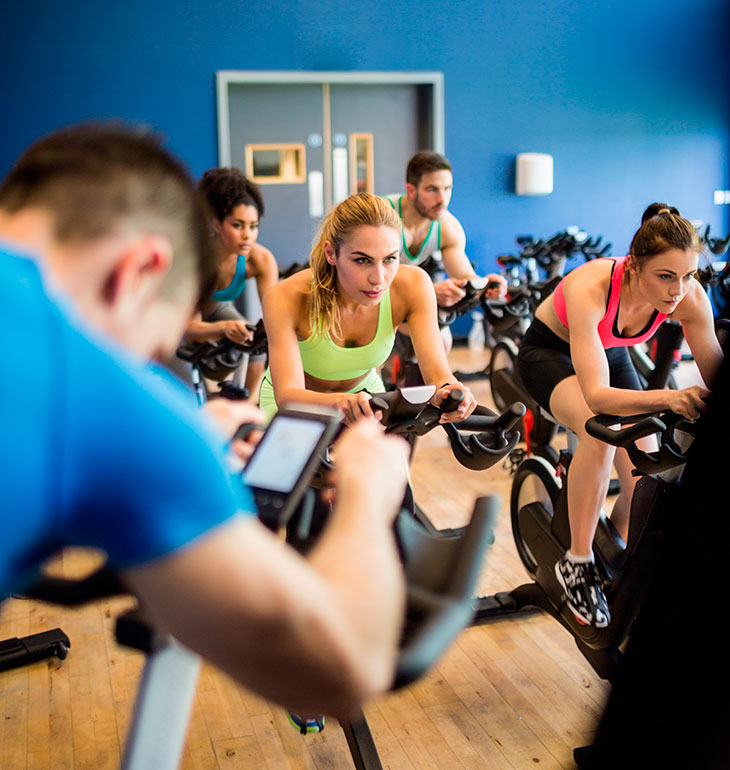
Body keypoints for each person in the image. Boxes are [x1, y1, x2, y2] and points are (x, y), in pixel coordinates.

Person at [0, 123, 410, 719]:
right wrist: (369, 492)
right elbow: (343, 670)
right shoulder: (97, 389)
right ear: (139, 270)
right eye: (154, 343)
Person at [516, 203, 722, 628]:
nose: (676, 291)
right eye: (665, 277)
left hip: (608, 352)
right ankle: (578, 561)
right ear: (633, 266)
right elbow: (597, 397)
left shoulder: (689, 297)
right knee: (600, 432)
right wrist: (669, 397)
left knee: (645, 468)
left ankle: (620, 557)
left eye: (687, 276)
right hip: (548, 353)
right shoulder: (590, 286)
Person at [259, 192, 478, 424]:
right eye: (362, 260)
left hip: (365, 396)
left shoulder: (414, 285)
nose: (378, 278)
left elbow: (437, 375)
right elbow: (287, 395)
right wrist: (342, 402)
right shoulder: (285, 297)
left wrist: (449, 390)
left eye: (390, 259)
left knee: (390, 460)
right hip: (298, 404)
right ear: (331, 253)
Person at [183, 167, 278, 397]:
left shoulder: (260, 260)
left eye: (253, 226)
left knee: (256, 345)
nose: (247, 235)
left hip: (216, 310)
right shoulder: (198, 261)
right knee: (182, 364)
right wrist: (225, 328)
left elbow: (277, 314)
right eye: (237, 225)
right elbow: (190, 329)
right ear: (217, 225)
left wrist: (265, 334)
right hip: (180, 315)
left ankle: (246, 410)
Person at [385, 150, 507, 307]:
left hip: (402, 297)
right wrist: (426, 290)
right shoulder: (383, 218)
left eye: (447, 189)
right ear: (411, 190)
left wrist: (485, 286)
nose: (442, 199)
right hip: (362, 299)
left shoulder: (448, 228)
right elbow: (372, 277)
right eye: (432, 190)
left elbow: (464, 277)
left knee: (438, 326)